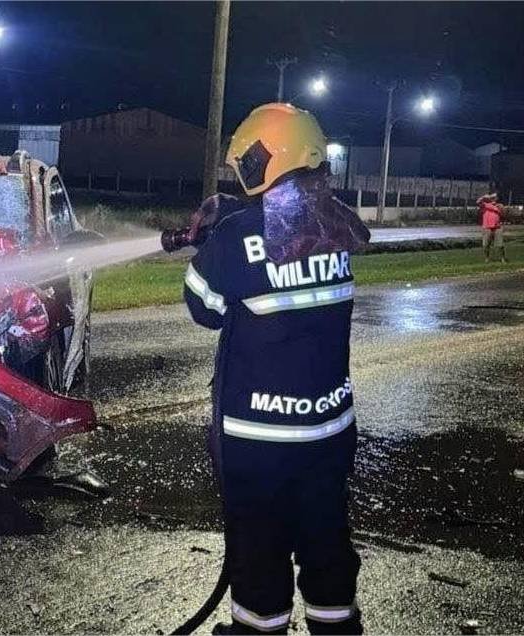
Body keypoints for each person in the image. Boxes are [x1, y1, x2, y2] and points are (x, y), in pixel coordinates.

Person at [183, 103, 370, 635]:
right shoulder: (337, 226)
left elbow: (204, 307)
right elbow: (290, 234)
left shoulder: (238, 235)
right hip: (329, 431)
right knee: (326, 545)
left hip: (258, 439)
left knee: (259, 555)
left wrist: (216, 234)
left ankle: (258, 629)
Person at [478, 192, 506, 262]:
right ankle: (487, 258)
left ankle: (502, 258)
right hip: (487, 227)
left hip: (497, 227)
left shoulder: (499, 205)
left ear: (497, 198)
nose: (493, 199)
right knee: (485, 245)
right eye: (492, 197)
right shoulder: (484, 205)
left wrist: (496, 207)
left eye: (495, 197)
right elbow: (478, 201)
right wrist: (483, 197)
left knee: (500, 245)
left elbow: (503, 213)